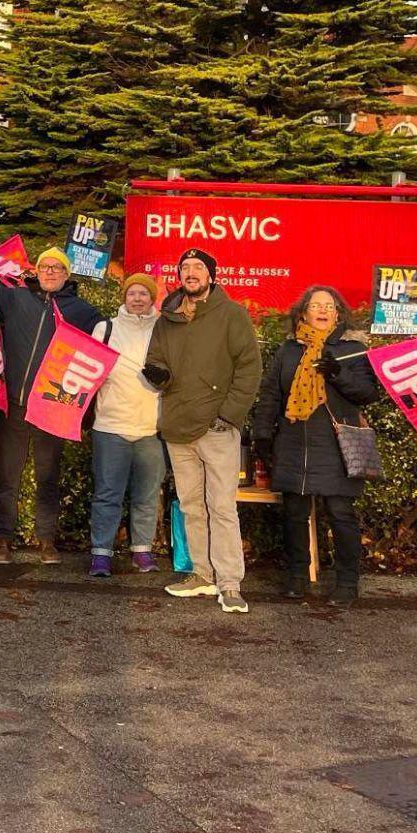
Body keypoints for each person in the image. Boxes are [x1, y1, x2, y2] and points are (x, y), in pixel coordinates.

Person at [143, 247, 262, 614]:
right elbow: (156, 359)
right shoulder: (167, 319)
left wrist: (228, 415)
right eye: (185, 268)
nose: (191, 273)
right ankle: (202, 574)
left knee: (222, 506)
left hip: (217, 428)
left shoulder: (232, 315)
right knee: (192, 506)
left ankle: (230, 583)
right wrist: (157, 373)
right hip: (178, 425)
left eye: (198, 267)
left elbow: (249, 368)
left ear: (211, 274)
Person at [251, 286, 381, 606]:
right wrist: (263, 434)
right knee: (294, 513)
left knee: (340, 513)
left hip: (336, 444)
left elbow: (367, 393)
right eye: (315, 305)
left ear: (338, 313)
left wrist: (337, 373)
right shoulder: (289, 350)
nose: (323, 310)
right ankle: (296, 576)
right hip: (294, 442)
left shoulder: (351, 349)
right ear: (303, 312)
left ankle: (347, 583)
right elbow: (271, 394)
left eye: (330, 305)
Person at [0, 246, 101, 565]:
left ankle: (46, 540)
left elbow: (98, 357)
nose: (51, 272)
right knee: (8, 476)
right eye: (45, 267)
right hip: (14, 403)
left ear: (67, 275)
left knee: (48, 477)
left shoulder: (84, 312)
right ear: (36, 271)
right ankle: (3, 538)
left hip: (51, 408)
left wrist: (85, 409)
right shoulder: (15, 298)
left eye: (58, 268)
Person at [86, 273, 167, 578]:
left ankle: (142, 550)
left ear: (152, 298)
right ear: (124, 297)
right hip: (111, 425)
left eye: (143, 294)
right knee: (107, 494)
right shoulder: (105, 328)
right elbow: (88, 369)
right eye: (131, 293)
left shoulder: (164, 329)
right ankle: (101, 552)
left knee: (147, 494)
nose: (137, 298)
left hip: (152, 427)